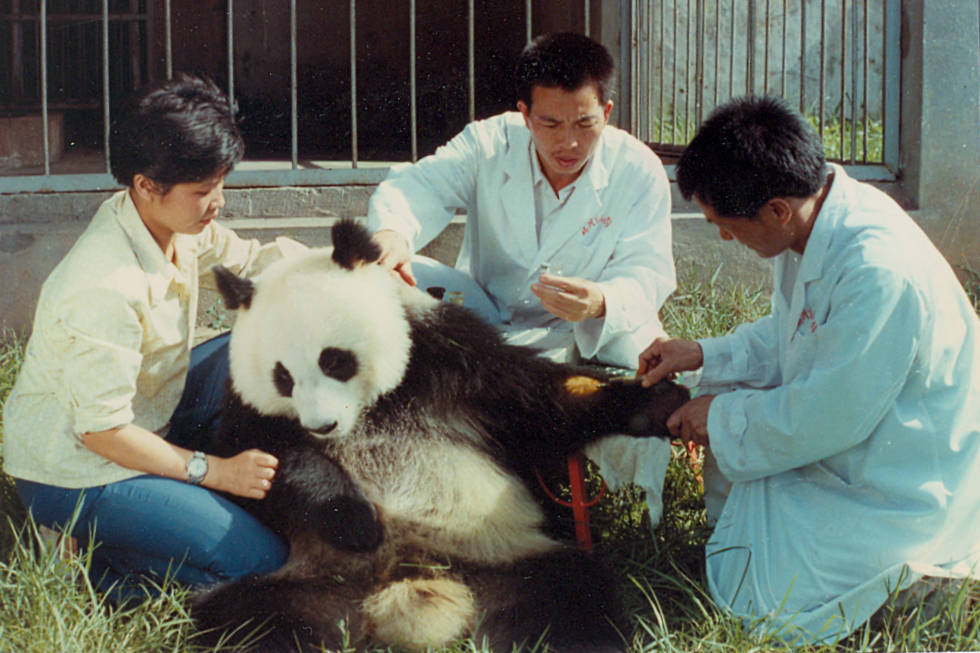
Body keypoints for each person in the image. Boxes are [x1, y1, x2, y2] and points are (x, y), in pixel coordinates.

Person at [637, 95, 980, 643]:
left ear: (775, 209)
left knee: (764, 588)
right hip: (858, 438)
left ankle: (918, 587)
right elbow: (795, 336)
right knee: (741, 447)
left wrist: (721, 417)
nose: (725, 237)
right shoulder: (815, 222)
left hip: (904, 486)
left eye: (726, 225)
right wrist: (702, 353)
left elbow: (827, 415)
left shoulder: (877, 271)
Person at [2, 74, 301, 602]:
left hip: (147, 416)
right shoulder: (102, 284)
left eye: (220, 185)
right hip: (80, 469)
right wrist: (217, 473)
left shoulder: (166, 223)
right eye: (204, 191)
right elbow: (103, 433)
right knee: (263, 565)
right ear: (146, 185)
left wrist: (351, 264)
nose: (219, 202)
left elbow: (252, 265)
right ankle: (90, 565)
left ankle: (142, 529)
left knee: (249, 346)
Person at [366, 31, 675, 369]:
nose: (569, 143)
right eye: (551, 124)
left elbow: (648, 267)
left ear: (607, 111)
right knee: (383, 278)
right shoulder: (489, 142)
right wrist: (393, 233)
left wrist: (602, 300)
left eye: (585, 123)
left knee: (645, 353)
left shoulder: (637, 168)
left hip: (587, 325)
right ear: (525, 114)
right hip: (485, 307)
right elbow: (421, 184)